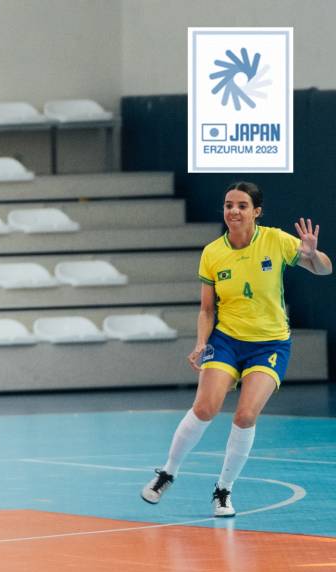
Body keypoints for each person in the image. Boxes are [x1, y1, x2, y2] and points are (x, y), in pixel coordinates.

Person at [141, 181, 331, 516]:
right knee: (205, 408)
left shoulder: (275, 240)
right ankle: (168, 472)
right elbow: (206, 309)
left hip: (270, 343)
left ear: (256, 212)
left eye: (242, 205)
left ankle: (223, 491)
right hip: (227, 340)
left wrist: (312, 253)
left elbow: (324, 269)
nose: (234, 211)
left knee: (245, 415)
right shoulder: (213, 252)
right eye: (229, 204)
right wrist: (202, 342)